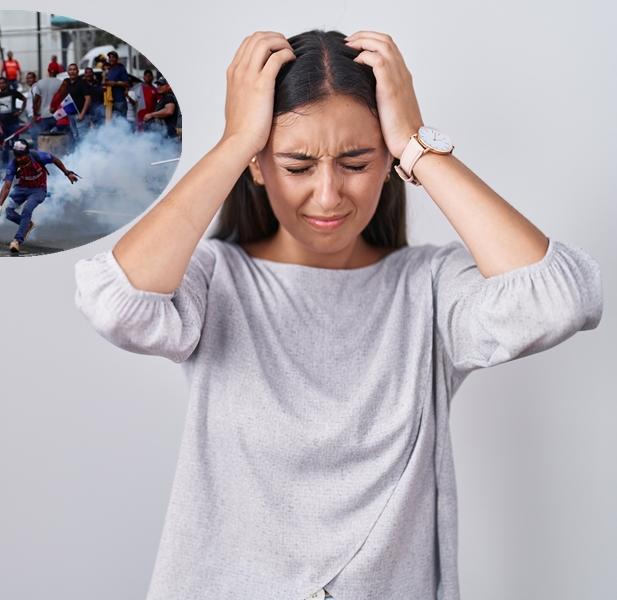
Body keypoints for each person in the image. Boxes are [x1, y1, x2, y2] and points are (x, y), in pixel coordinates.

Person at [73, 30, 603, 600]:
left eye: (357, 161)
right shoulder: (215, 279)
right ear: (259, 166)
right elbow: (115, 304)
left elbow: (560, 299)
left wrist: (418, 143)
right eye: (297, 165)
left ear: (390, 163)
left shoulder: (428, 289)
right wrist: (235, 141)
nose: (328, 197)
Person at [0, 139, 78, 254]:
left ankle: (17, 240)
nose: (19, 159)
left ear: (27, 153)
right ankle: (27, 224)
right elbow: (6, 186)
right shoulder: (13, 165)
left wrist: (67, 173)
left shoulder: (40, 157)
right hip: (21, 189)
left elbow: (55, 160)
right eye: (17, 156)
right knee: (6, 210)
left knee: (27, 209)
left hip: (38, 190)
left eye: (21, 156)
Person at [0, 77, 26, 163]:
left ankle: (19, 161)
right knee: (5, 145)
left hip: (13, 122)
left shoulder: (12, 92)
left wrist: (20, 111)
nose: (2, 84)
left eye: (3, 82)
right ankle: (6, 164)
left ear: (6, 83)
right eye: (0, 83)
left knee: (16, 144)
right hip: (3, 124)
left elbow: (24, 99)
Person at [65, 63, 90, 141]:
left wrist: (82, 114)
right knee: (76, 137)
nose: (72, 72)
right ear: (68, 72)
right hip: (71, 115)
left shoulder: (82, 83)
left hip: (80, 114)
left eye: (74, 69)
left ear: (78, 71)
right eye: (70, 70)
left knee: (83, 137)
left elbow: (88, 98)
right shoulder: (68, 84)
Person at [103, 50, 129, 118]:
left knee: (122, 123)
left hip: (120, 101)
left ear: (117, 59)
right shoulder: (109, 71)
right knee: (113, 125)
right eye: (110, 57)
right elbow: (105, 84)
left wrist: (114, 83)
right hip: (110, 102)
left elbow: (126, 84)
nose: (111, 59)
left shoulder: (121, 69)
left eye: (113, 57)